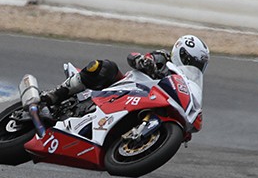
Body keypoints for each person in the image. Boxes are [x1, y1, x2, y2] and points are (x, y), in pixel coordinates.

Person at [41, 35, 210, 119]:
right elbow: (133, 57)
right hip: (124, 90)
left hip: (146, 104)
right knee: (105, 67)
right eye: (193, 61)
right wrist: (143, 61)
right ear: (181, 54)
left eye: (200, 65)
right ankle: (54, 95)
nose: (195, 67)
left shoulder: (185, 83)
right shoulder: (162, 59)